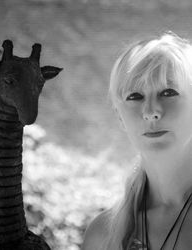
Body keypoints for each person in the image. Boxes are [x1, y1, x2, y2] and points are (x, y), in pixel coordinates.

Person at [81, 32, 192, 250]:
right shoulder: (101, 236)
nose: (151, 111)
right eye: (135, 96)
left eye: (168, 92)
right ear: (119, 115)